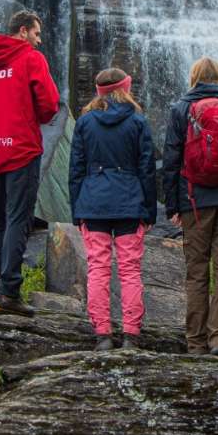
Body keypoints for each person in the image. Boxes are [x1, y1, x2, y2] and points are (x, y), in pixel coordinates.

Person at [0, 9, 59, 318]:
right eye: (36, 33)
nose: (38, 40)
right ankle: (9, 291)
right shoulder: (31, 59)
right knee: (19, 218)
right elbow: (49, 103)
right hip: (22, 149)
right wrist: (32, 119)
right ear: (22, 31)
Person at [163, 57, 218, 356]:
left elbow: (171, 160)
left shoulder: (180, 109)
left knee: (196, 271)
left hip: (193, 202)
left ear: (194, 77)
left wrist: (172, 205)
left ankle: (195, 343)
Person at [69, 68, 157, 351]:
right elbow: (147, 170)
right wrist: (150, 210)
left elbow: (76, 170)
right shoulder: (138, 121)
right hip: (130, 203)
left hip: (93, 203)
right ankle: (131, 335)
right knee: (130, 270)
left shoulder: (84, 123)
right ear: (125, 88)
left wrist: (76, 208)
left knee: (97, 268)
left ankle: (103, 335)